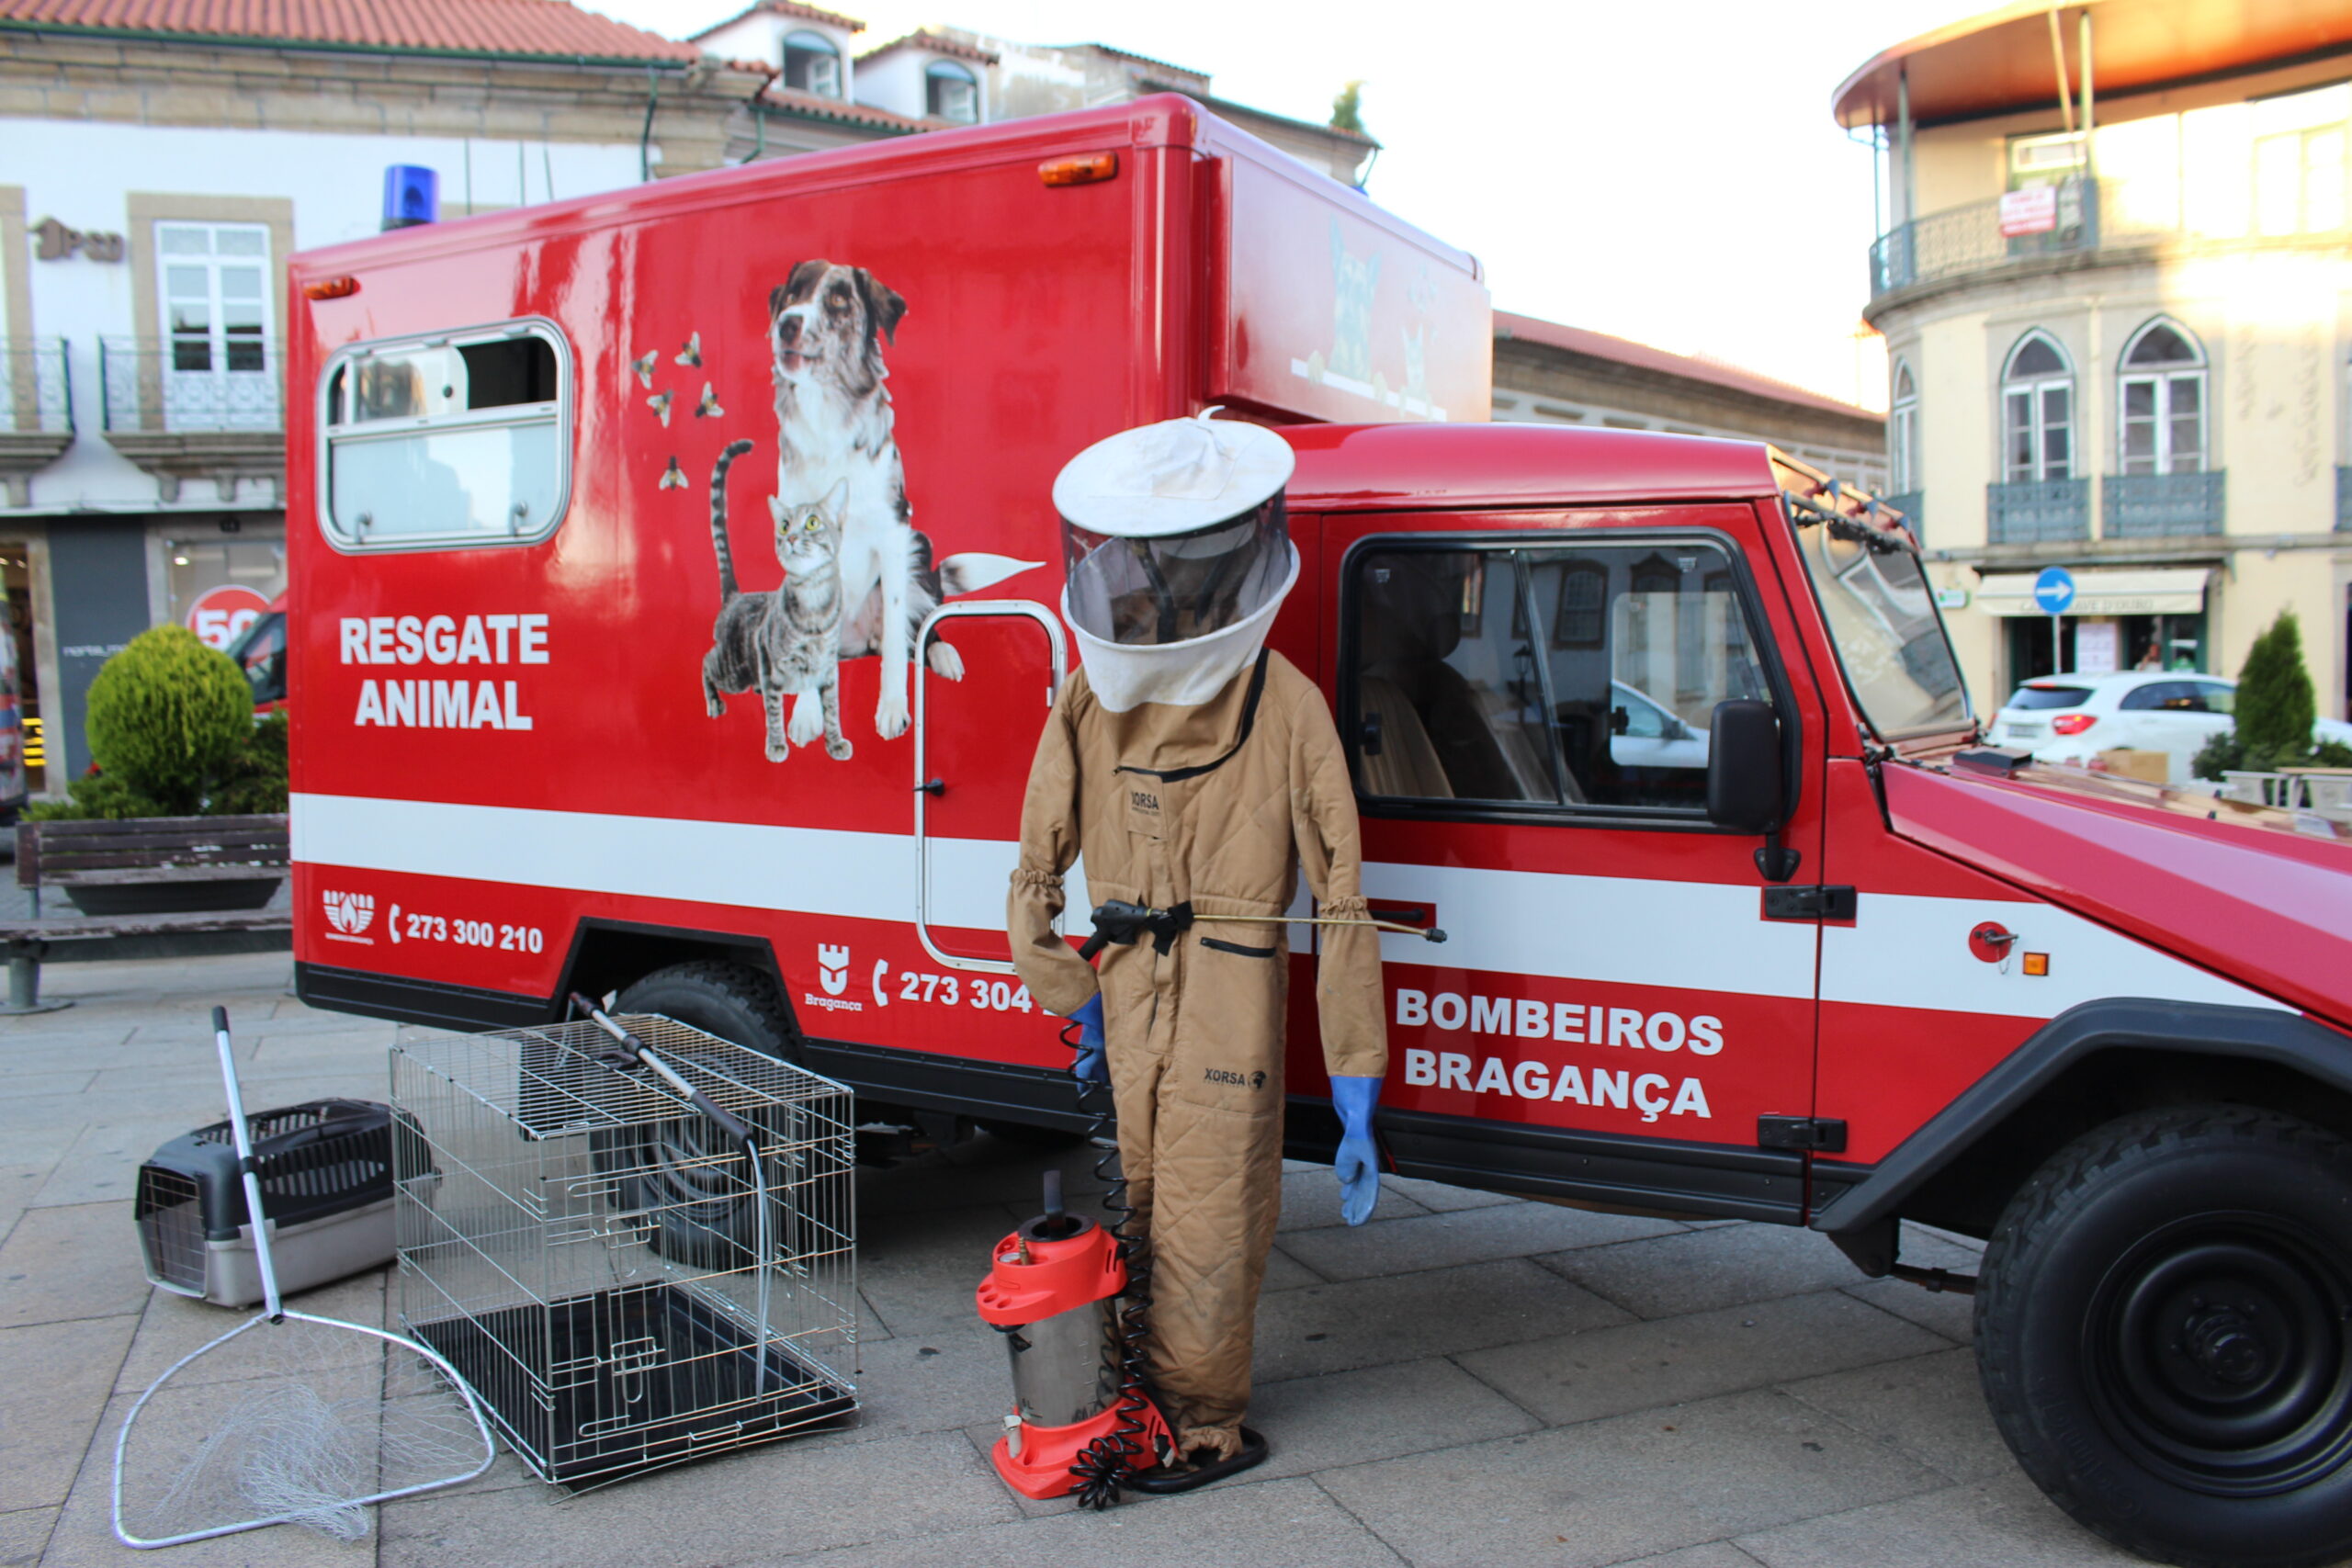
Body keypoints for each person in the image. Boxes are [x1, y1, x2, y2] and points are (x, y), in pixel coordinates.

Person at [1007, 409, 1386, 1487]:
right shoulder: (1179, 696)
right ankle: (1165, 1406)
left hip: (1172, 986)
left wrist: (1072, 991)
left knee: (1198, 1204)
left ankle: (1193, 1416)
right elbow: (1342, 899)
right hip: (1184, 987)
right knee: (1170, 1200)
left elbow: (1032, 877)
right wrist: (1355, 1084)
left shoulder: (1134, 697)